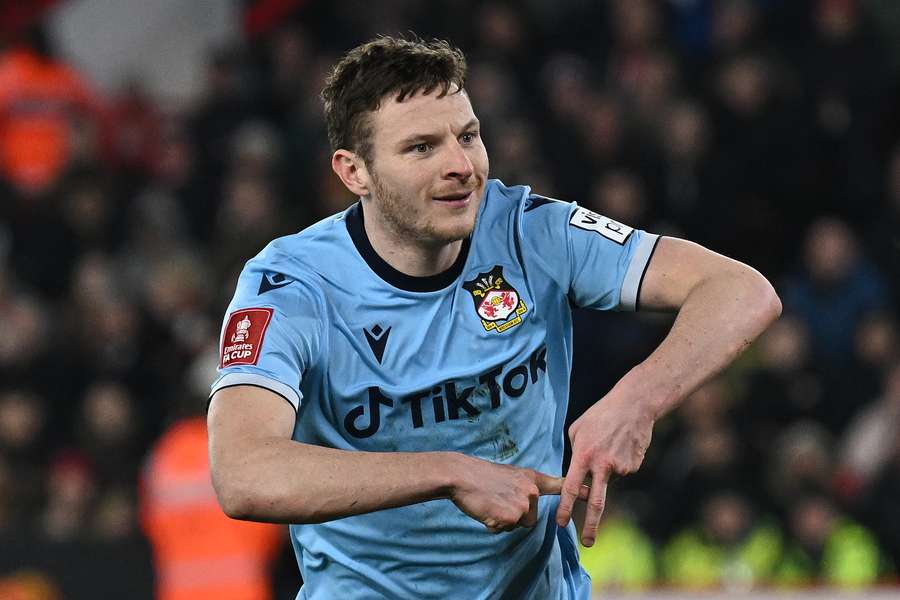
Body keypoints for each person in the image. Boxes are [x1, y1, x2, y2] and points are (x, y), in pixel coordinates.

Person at [207, 36, 781, 599]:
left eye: (468, 136)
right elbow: (243, 473)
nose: (461, 166)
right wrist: (451, 472)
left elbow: (741, 290)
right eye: (421, 148)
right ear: (354, 172)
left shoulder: (532, 231)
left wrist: (637, 399)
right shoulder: (290, 286)